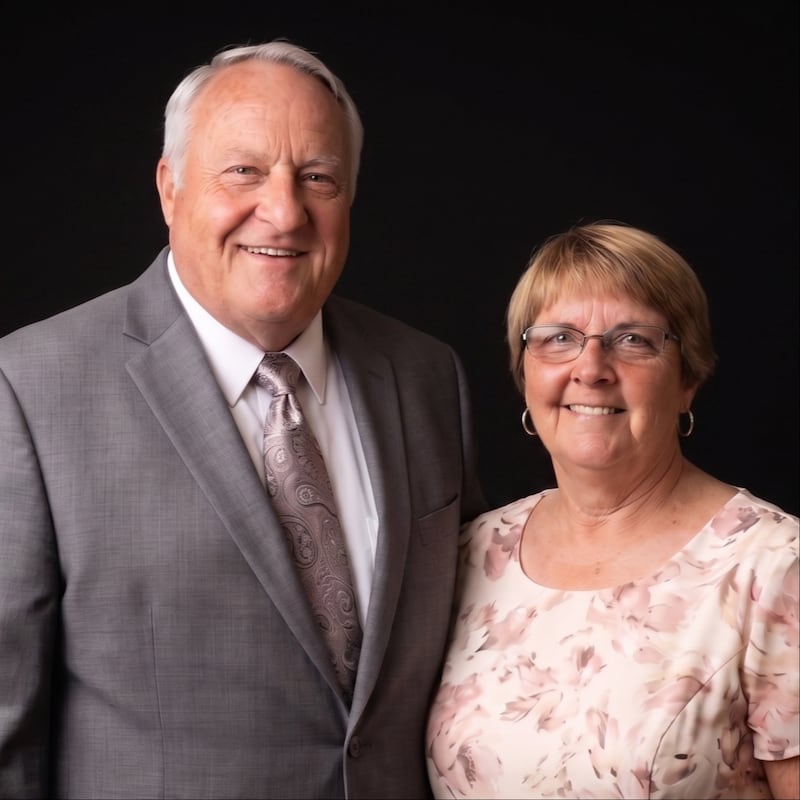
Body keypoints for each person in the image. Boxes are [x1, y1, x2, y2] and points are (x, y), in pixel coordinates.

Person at [0, 40, 487, 799]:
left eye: (317, 177)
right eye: (244, 171)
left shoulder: (425, 376)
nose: (285, 212)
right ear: (170, 188)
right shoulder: (30, 388)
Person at [425, 221, 799, 799]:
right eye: (559, 338)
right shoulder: (469, 553)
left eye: (633, 340)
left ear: (688, 379)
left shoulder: (774, 567)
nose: (591, 368)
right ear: (525, 374)